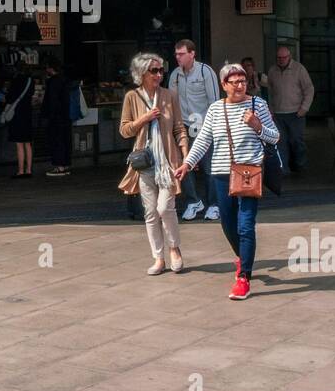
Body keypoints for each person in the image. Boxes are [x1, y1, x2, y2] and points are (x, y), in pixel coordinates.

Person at [174, 63, 280, 300]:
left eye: (243, 81)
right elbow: (203, 140)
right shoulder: (215, 110)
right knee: (228, 225)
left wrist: (258, 126)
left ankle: (244, 277)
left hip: (249, 173)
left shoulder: (257, 105)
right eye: (235, 82)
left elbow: (275, 137)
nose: (241, 85)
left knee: (245, 225)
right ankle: (242, 256)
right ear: (224, 85)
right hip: (221, 174)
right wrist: (187, 164)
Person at [119, 52, 189, 276]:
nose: (159, 75)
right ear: (142, 74)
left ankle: (174, 249)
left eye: (161, 70)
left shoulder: (169, 95)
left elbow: (179, 128)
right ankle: (158, 258)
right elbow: (124, 130)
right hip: (144, 163)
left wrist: (186, 157)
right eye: (154, 71)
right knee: (150, 212)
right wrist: (144, 118)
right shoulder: (132, 97)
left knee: (164, 208)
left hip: (168, 162)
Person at [169, 39, 220, 222]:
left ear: (192, 54)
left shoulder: (205, 71)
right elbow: (171, 103)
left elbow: (214, 101)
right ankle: (193, 201)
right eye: (176, 54)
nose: (178, 57)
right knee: (184, 165)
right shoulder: (175, 75)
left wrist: (213, 127)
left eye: (181, 54)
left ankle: (214, 204)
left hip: (204, 125)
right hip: (184, 125)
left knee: (208, 167)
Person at [266, 45, 314, 175]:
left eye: (284, 57)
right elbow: (270, 90)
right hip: (278, 114)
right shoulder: (272, 70)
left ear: (289, 57)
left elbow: (309, 89)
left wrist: (304, 108)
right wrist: (270, 109)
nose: (281, 60)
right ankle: (284, 169)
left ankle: (300, 166)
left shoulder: (299, 69)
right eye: (279, 58)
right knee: (280, 142)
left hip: (295, 114)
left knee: (296, 141)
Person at [2, 62, 35, 178]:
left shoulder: (16, 80)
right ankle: (29, 170)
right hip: (28, 113)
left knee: (19, 144)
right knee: (27, 143)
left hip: (17, 114)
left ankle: (21, 171)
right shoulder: (31, 80)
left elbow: (10, 97)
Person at [42, 60, 72, 176]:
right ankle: (65, 165)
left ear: (51, 69)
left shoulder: (52, 82)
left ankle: (59, 167)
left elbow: (51, 101)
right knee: (65, 140)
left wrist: (48, 114)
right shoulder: (65, 80)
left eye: (47, 68)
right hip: (65, 116)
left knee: (56, 141)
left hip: (56, 117)